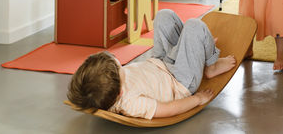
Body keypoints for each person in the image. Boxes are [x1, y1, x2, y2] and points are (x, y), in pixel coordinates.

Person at [67, 9, 236, 119]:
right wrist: (197, 99)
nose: (120, 66)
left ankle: (195, 46)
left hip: (160, 62)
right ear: (120, 92)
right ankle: (210, 66)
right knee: (195, 26)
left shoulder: (107, 83)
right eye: (120, 68)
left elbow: (88, 87)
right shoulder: (131, 103)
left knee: (164, 16)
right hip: (179, 80)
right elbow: (169, 109)